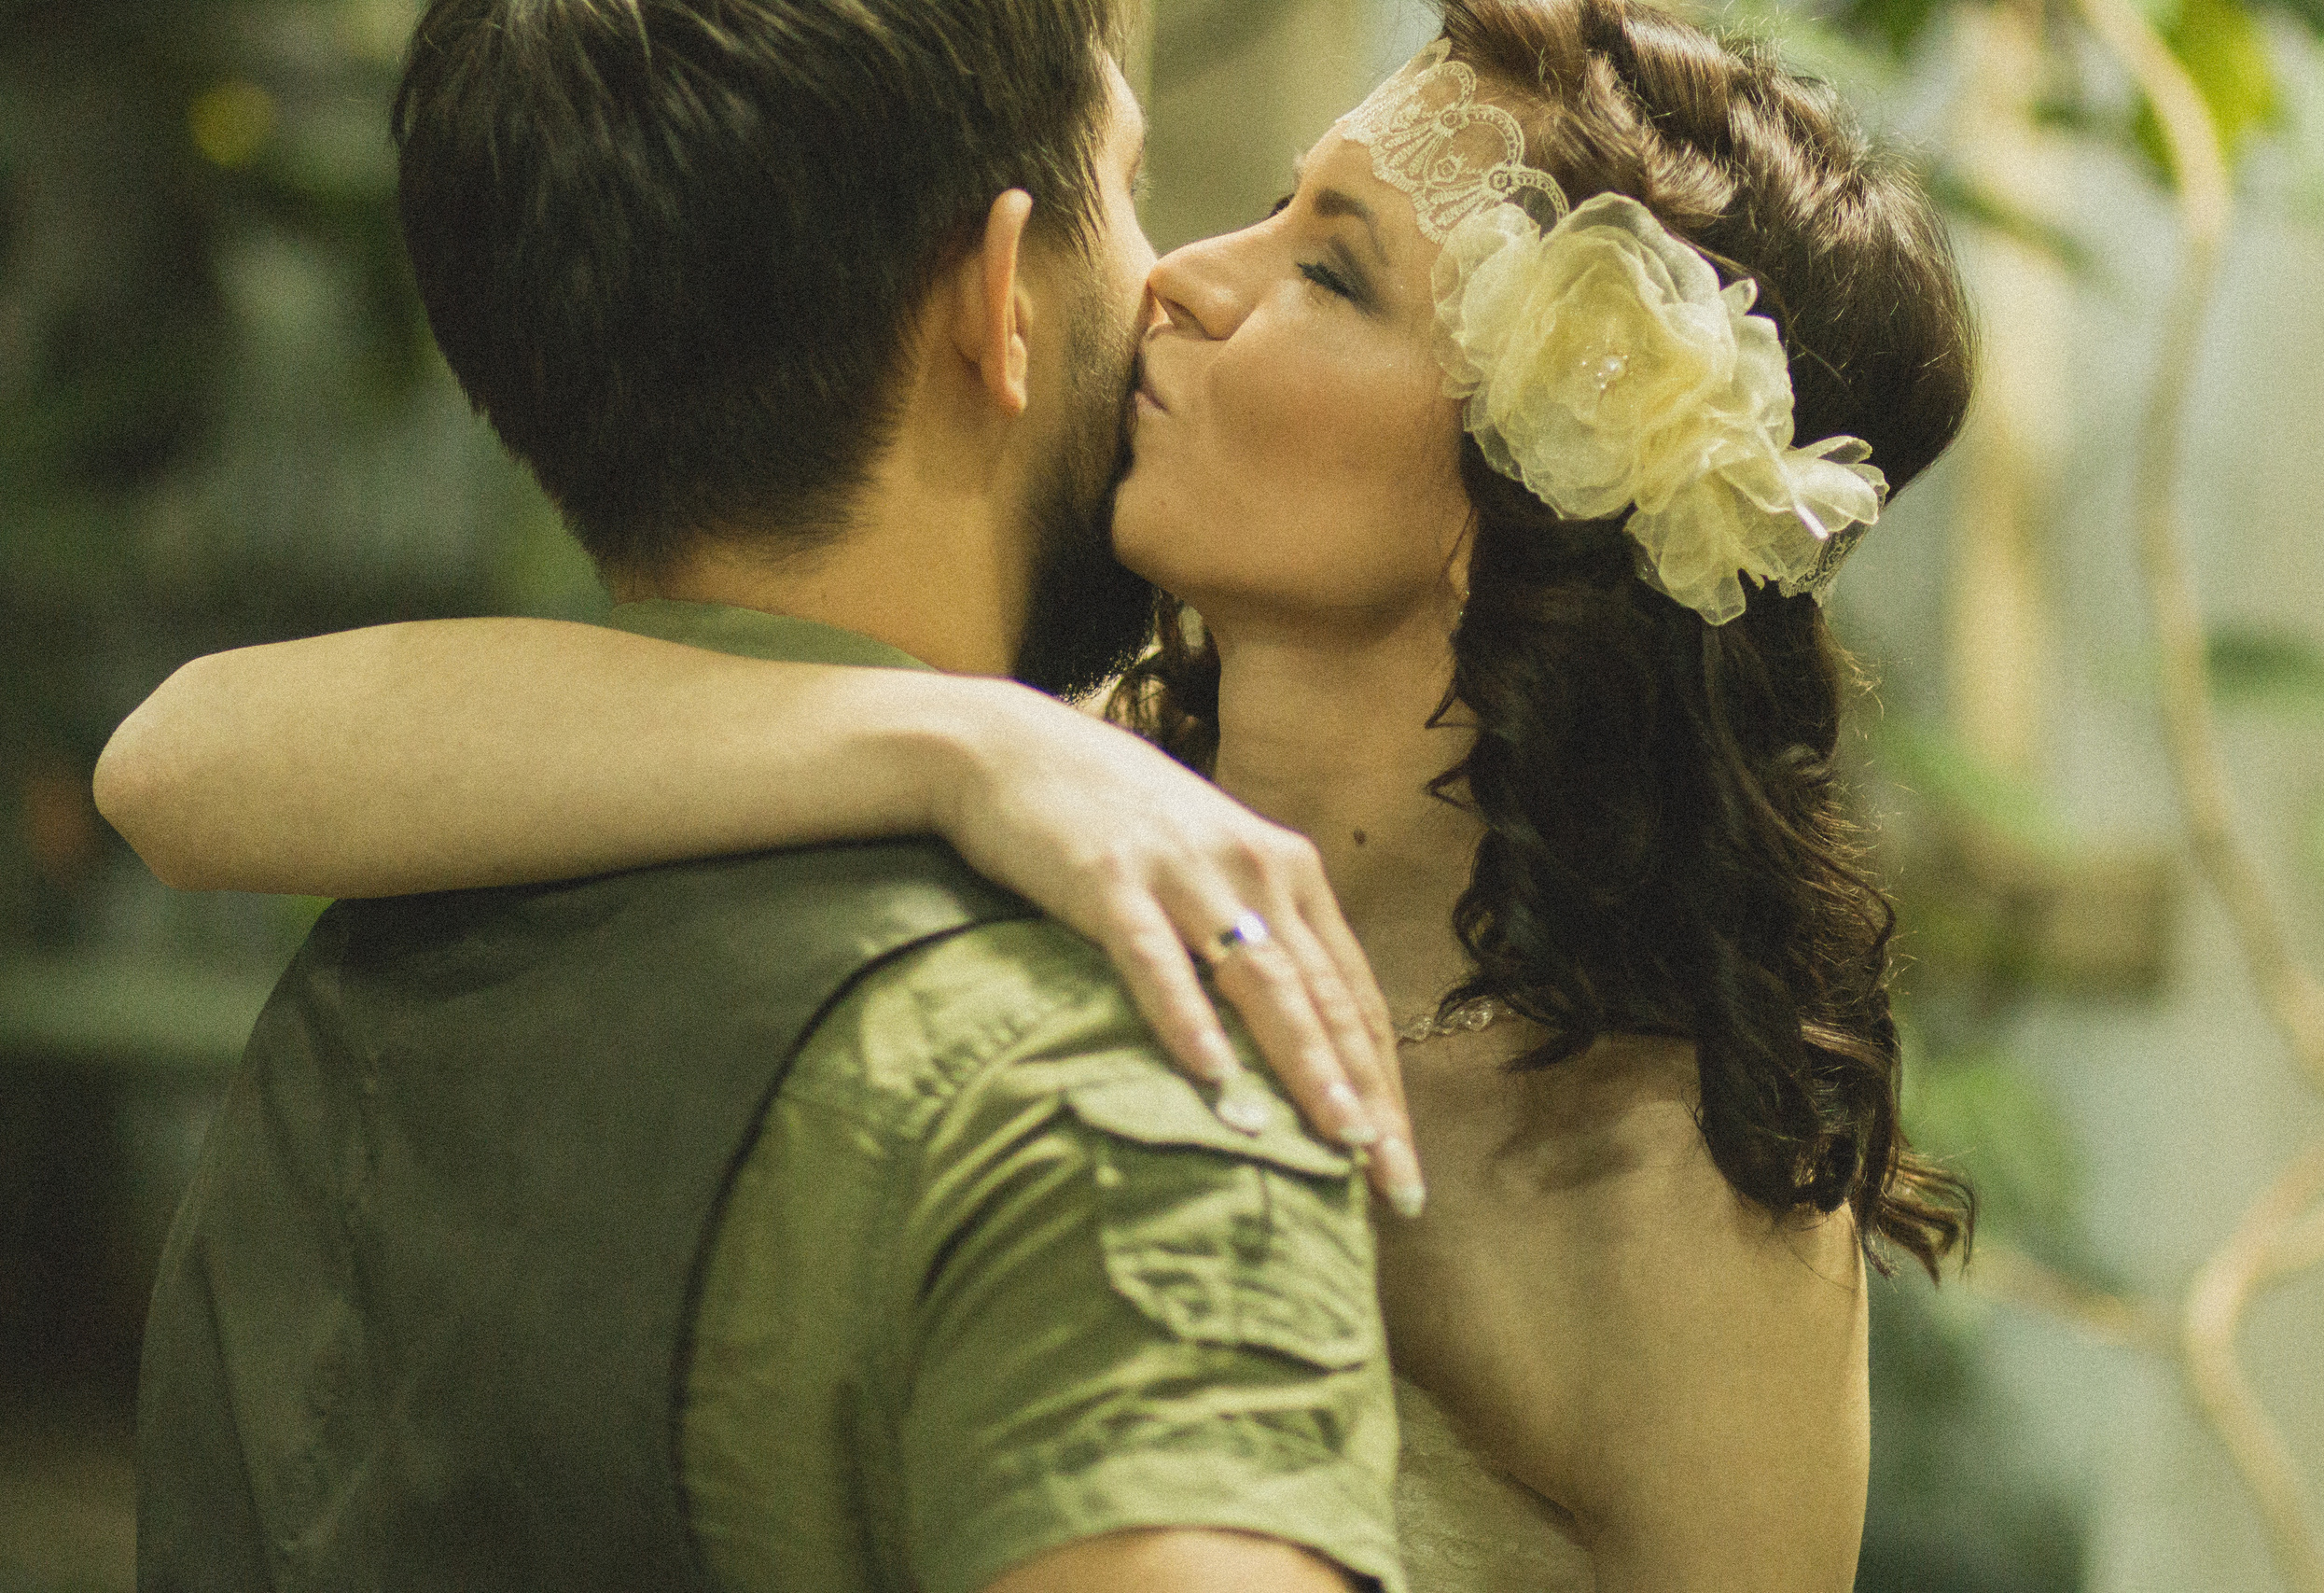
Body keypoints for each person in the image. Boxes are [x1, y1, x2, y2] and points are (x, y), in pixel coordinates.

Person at [104, 0, 1983, 1587]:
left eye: (1329, 271)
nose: (1186, 278)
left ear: (1530, 500)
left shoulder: (1663, 1174)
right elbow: (183, 761)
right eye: (1262, 208)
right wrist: (967, 745)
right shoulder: (1053, 771)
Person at [122, 5, 1415, 1593]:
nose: (1181, 283)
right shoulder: (1105, 1100)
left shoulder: (365, 953)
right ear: (999, 298)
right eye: (1128, 187)